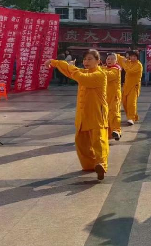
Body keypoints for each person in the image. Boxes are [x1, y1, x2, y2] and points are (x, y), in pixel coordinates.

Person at [45, 50, 108, 181]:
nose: (86, 62)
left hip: (96, 113)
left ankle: (101, 164)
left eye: (90, 59)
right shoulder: (84, 71)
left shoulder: (100, 74)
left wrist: (70, 67)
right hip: (83, 114)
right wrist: (55, 62)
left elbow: (80, 77)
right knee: (81, 142)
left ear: (98, 61)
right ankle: (90, 165)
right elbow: (70, 71)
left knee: (98, 140)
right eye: (84, 59)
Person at [117, 51, 143, 126]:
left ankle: (131, 118)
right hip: (126, 86)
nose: (133, 58)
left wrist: (124, 64)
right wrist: (113, 55)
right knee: (124, 102)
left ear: (137, 57)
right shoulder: (128, 62)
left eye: (135, 56)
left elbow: (129, 71)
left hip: (134, 86)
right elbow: (119, 57)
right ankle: (135, 116)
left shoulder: (139, 65)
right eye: (131, 56)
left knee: (131, 103)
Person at [103, 53, 122, 141]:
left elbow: (108, 76)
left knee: (114, 113)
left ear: (116, 61)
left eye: (111, 59)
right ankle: (109, 133)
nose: (109, 60)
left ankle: (117, 130)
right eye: (108, 59)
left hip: (114, 96)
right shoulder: (104, 68)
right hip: (105, 96)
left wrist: (98, 70)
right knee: (105, 115)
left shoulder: (116, 69)